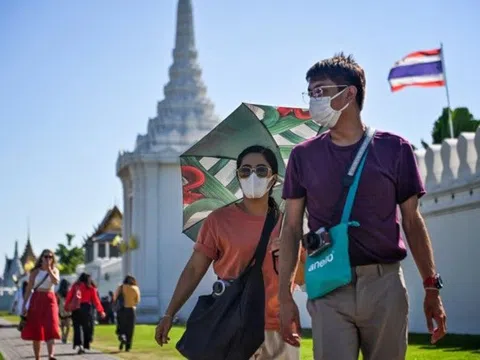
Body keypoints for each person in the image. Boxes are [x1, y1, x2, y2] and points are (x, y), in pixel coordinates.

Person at [278, 53, 447, 360]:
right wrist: (284, 295)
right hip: (329, 284)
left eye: (321, 91)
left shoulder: (394, 149)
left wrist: (431, 286)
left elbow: (412, 221)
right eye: (310, 92)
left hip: (384, 285)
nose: (313, 100)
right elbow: (290, 228)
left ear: (350, 93)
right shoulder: (303, 156)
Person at [155, 145, 302, 360]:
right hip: (233, 324)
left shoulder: (289, 225)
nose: (253, 176)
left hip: (278, 328)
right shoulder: (218, 220)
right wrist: (169, 313)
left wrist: (290, 253)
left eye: (261, 171)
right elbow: (195, 268)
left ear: (274, 178)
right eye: (245, 171)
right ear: (238, 177)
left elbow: (303, 278)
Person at [20, 249, 61, 360]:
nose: (48, 259)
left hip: (50, 299)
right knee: (36, 329)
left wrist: (49, 270)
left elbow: (56, 282)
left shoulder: (55, 270)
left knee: (51, 326)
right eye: (46, 256)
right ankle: (37, 357)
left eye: (50, 257)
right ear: (41, 258)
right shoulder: (35, 271)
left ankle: (51, 355)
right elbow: (29, 288)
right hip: (37, 299)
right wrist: (24, 305)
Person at [64, 272, 106, 354]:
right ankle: (85, 343)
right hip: (86, 308)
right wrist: (101, 311)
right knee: (86, 327)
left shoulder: (75, 286)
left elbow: (69, 296)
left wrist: (67, 306)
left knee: (77, 328)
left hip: (76, 308)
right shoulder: (91, 287)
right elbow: (96, 300)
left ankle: (79, 344)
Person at [114, 275, 141, 352]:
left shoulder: (121, 287)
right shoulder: (135, 288)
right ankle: (128, 347)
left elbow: (115, 297)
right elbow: (137, 300)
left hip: (121, 310)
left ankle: (122, 338)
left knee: (121, 327)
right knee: (130, 329)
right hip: (131, 310)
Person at [55, 279, 71, 344]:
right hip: (68, 310)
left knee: (62, 325)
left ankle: (63, 334)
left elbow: (56, 302)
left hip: (60, 310)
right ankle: (65, 337)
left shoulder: (58, 293)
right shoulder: (69, 292)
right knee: (68, 325)